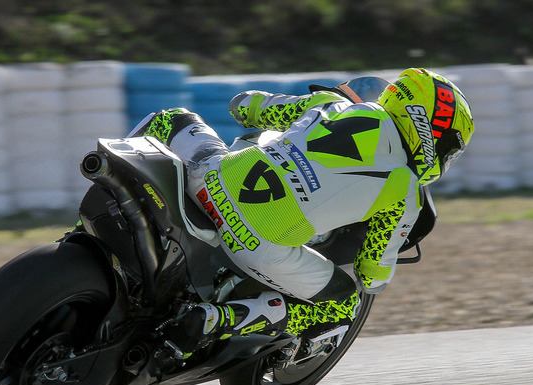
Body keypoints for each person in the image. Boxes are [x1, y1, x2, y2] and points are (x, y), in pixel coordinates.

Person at [139, 68, 474, 354]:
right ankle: (217, 320)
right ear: (432, 129)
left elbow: (244, 106)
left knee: (172, 120)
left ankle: (102, 207)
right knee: (345, 302)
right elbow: (372, 275)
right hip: (253, 243)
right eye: (448, 147)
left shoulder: (331, 104)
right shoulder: (404, 189)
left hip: (208, 181)